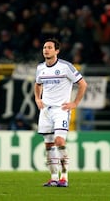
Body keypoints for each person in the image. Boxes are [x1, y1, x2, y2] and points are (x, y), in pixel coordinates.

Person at [34, 38, 88, 187]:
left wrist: (75, 103)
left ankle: (64, 177)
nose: (46, 50)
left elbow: (83, 84)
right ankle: (53, 178)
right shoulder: (40, 68)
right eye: (44, 47)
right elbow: (37, 84)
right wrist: (38, 99)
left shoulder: (66, 67)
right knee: (48, 145)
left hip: (61, 110)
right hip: (45, 110)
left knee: (59, 141)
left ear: (57, 51)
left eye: (50, 47)